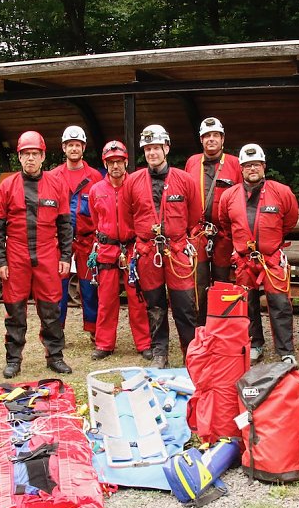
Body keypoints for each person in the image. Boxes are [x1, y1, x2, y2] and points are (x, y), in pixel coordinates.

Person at [0, 130, 74, 377]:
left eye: (34, 154)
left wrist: (65, 257)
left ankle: (55, 356)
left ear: (43, 156)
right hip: (16, 255)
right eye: (26, 154)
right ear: (19, 156)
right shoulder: (7, 187)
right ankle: (13, 359)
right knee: (15, 310)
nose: (30, 159)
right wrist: (0, 260)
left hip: (48, 254)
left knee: (51, 309)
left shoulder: (57, 185)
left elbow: (65, 226)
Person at [122, 124, 201, 368]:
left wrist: (179, 238)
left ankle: (191, 352)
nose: (152, 153)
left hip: (177, 251)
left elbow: (195, 215)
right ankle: (160, 352)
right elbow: (125, 218)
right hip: (147, 253)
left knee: (185, 306)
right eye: (147, 149)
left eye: (156, 147)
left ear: (166, 148)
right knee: (154, 305)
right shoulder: (132, 182)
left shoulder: (185, 180)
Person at [218, 143, 299, 364]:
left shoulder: (281, 192)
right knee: (248, 304)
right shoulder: (229, 196)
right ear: (241, 169)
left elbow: (289, 220)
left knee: (280, 304)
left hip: (271, 259)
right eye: (247, 165)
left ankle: (286, 350)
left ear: (264, 166)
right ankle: (255, 344)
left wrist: (270, 241)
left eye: (256, 164)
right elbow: (225, 224)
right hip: (244, 261)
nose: (252, 168)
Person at [85, 140, 152, 360]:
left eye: (119, 162)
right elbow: (97, 219)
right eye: (111, 162)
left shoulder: (135, 186)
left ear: (126, 162)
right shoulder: (96, 190)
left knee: (137, 298)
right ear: (105, 164)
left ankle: (144, 344)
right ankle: (104, 344)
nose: (116, 166)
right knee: (106, 299)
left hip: (132, 249)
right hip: (107, 248)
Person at [185, 117, 242, 324]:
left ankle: (220, 325)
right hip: (198, 233)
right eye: (207, 136)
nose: (211, 139)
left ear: (222, 139)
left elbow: (242, 198)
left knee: (221, 281)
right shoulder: (192, 162)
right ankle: (200, 326)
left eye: (215, 135)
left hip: (224, 236)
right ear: (201, 140)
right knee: (198, 282)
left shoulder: (235, 163)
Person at [49, 125, 102, 341]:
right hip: (60, 240)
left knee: (89, 286)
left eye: (77, 145)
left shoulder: (95, 176)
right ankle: (56, 330)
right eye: (70, 145)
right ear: (64, 147)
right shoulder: (52, 176)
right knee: (57, 286)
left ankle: (93, 330)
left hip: (87, 239)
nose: (73, 148)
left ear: (83, 148)